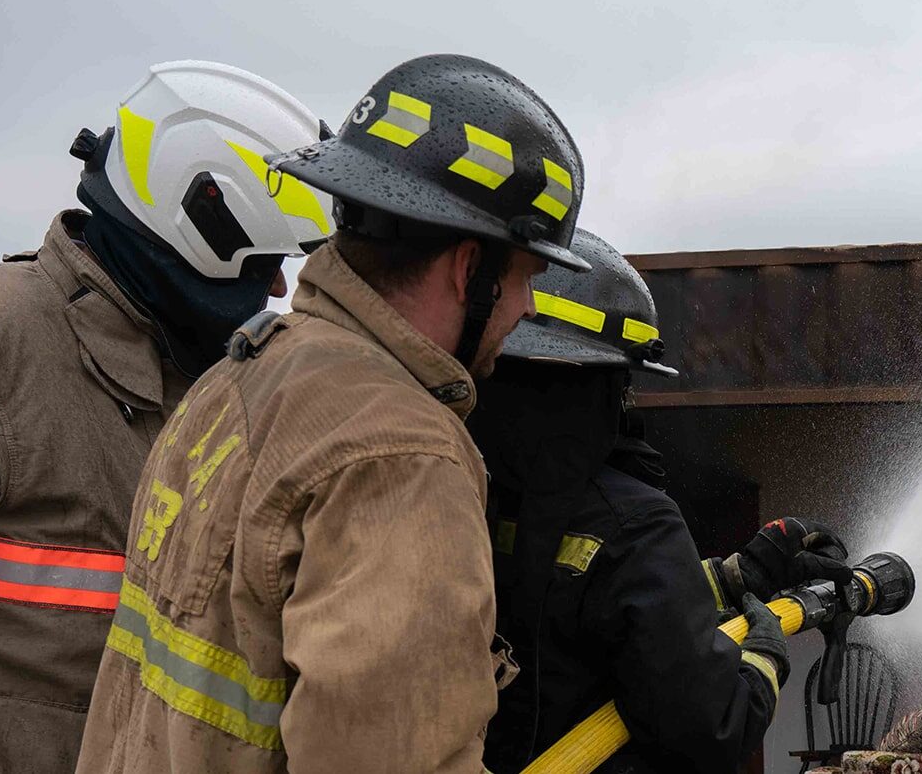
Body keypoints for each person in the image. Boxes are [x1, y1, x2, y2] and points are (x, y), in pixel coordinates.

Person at [76, 54, 590, 774]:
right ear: (469, 269)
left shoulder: (239, 373)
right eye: (526, 279)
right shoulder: (402, 455)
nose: (529, 310)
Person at [0, 60, 333, 774]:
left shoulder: (222, 381)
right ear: (198, 219)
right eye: (264, 259)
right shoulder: (7, 337)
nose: (275, 287)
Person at [469, 230, 853, 773]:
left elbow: (582, 603)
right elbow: (712, 728)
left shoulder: (470, 487)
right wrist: (762, 658)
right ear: (602, 381)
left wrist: (732, 577)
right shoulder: (635, 521)